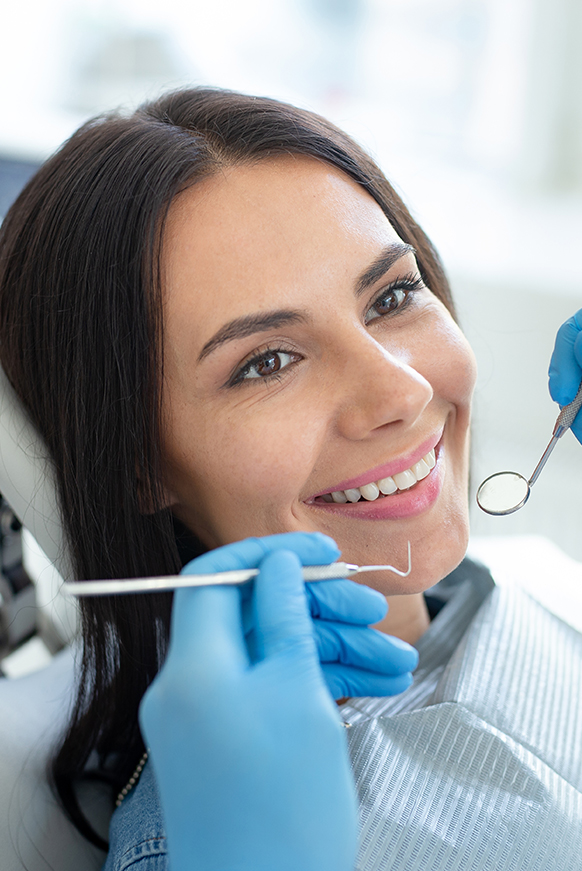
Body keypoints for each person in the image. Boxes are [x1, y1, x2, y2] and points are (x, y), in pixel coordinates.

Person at [0, 88, 580, 871]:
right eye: (267, 361)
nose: (402, 391)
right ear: (135, 463)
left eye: (392, 296)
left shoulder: (529, 580)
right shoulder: (217, 829)